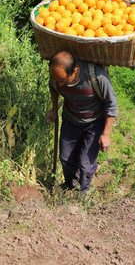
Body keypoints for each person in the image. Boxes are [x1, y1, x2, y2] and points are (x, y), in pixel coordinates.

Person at [46, 51, 117, 194]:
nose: (60, 83)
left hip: (94, 124)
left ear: (75, 70)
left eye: (63, 80)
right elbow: (53, 88)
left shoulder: (96, 76)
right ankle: (71, 186)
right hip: (70, 120)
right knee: (65, 158)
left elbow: (111, 104)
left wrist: (106, 134)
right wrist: (54, 109)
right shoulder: (56, 78)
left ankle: (85, 192)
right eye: (57, 79)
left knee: (86, 163)